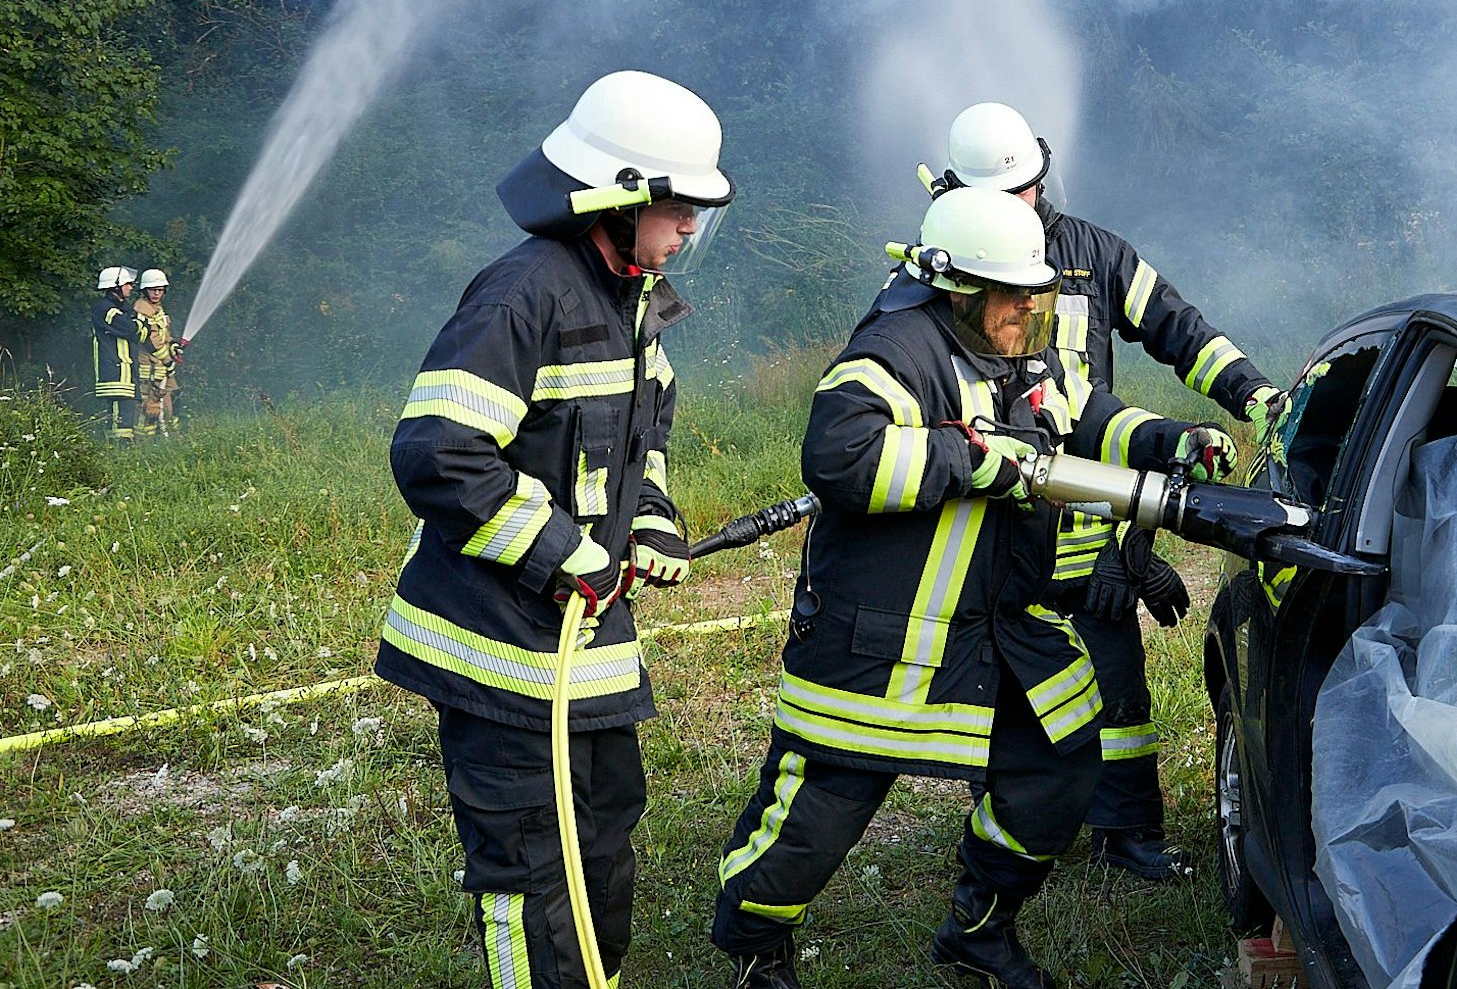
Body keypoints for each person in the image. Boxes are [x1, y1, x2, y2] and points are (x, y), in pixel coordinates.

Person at [710, 186, 1235, 989]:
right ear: (958, 289)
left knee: (1061, 768)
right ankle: (753, 946)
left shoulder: (1020, 349)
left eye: (1035, 292)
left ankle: (979, 934)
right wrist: (968, 458)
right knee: (818, 819)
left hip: (1003, 624)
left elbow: (1087, 414)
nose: (1029, 306)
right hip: (887, 638)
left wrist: (1171, 440)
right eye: (1012, 293)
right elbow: (839, 457)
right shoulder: (894, 351)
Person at [376, 69, 731, 988]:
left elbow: (641, 438)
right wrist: (562, 552)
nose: (689, 229)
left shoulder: (631, 299)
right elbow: (439, 453)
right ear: (619, 199)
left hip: (581, 645)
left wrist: (650, 520)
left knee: (603, 831)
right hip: (498, 647)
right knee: (534, 868)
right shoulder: (522, 296)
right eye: (678, 209)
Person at [921, 102, 1282, 881]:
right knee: (1002, 683)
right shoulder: (943, 266)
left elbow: (1179, 330)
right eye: (998, 197)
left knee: (1115, 678)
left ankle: (1128, 833)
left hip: (1090, 505)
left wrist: (1253, 394)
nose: (1019, 208)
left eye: (1026, 191)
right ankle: (1016, 827)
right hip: (991, 510)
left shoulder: (1094, 254)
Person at [89, 266, 143, 443]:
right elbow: (130, 328)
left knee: (127, 415)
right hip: (114, 372)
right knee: (118, 419)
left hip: (126, 373)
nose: (131, 287)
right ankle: (117, 450)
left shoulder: (124, 308)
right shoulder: (103, 308)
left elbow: (143, 330)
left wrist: (138, 326)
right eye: (127, 284)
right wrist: (137, 325)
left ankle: (124, 448)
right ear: (115, 286)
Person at [130, 268, 182, 437]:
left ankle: (171, 435)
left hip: (161, 367)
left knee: (170, 398)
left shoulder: (157, 308)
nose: (156, 293)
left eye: (160, 290)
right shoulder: (142, 308)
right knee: (149, 405)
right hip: (150, 366)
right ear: (145, 290)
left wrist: (172, 345)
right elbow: (150, 339)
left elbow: (163, 335)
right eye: (153, 290)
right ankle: (143, 440)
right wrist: (167, 360)